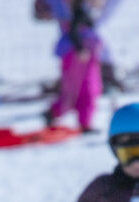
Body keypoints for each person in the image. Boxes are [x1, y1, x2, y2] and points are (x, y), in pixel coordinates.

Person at [42, 0, 123, 132]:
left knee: (85, 89)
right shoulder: (78, 11)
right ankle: (60, 113)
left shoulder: (84, 11)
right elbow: (75, 29)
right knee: (81, 90)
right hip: (79, 57)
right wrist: (80, 49)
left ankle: (68, 116)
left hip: (85, 56)